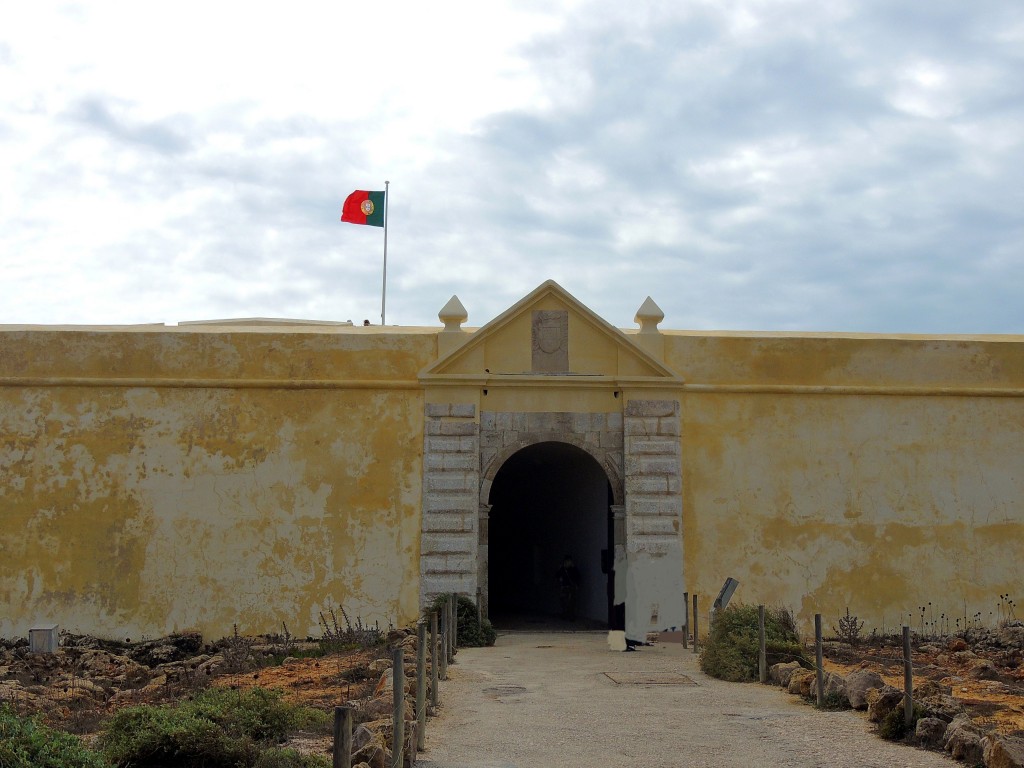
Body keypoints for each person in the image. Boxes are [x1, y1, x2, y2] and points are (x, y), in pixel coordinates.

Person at [556, 555, 581, 620]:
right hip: (564, 587)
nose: (568, 563)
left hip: (571, 587)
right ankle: (566, 614)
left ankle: (570, 615)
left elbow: (577, 577)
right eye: (567, 562)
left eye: (569, 561)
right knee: (564, 601)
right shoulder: (562, 569)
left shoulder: (573, 569)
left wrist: (577, 585)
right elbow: (557, 576)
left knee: (571, 601)